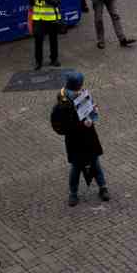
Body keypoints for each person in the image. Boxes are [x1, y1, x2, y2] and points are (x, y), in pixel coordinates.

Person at [50, 71, 110, 206]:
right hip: (76, 137)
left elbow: (92, 110)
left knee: (91, 162)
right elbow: (65, 122)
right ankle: (75, 193)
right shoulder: (64, 101)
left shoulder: (82, 95)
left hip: (85, 135)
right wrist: (87, 121)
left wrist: (92, 115)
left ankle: (101, 187)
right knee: (79, 166)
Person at [29, 0, 62, 70]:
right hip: (38, 19)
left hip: (51, 19)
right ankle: (38, 62)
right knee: (38, 40)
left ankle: (54, 59)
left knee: (53, 40)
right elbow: (31, 3)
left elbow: (57, 3)